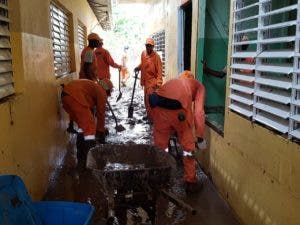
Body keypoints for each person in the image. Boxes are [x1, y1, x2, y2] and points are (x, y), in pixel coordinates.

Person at [148, 71, 206, 193]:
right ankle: (190, 182)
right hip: (180, 113)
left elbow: (153, 104)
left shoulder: (173, 82)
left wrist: (159, 123)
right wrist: (200, 136)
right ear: (192, 79)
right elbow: (198, 113)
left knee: (161, 147)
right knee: (187, 148)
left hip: (159, 109)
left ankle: (160, 180)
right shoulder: (199, 86)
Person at [61, 78, 113, 169]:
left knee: (83, 127)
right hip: (75, 96)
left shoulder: (93, 86)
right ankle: (90, 155)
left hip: (66, 96)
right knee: (89, 126)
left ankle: (81, 155)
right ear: (107, 90)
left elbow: (93, 110)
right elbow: (101, 113)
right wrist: (100, 131)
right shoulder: (101, 91)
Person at [134, 38, 163, 120]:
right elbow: (143, 63)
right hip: (145, 81)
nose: (148, 47)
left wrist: (159, 82)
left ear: (153, 46)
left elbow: (160, 70)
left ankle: (152, 117)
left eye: (150, 46)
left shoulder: (156, 57)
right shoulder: (143, 53)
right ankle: (149, 115)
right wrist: (138, 67)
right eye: (147, 46)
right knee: (146, 100)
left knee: (150, 100)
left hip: (152, 82)